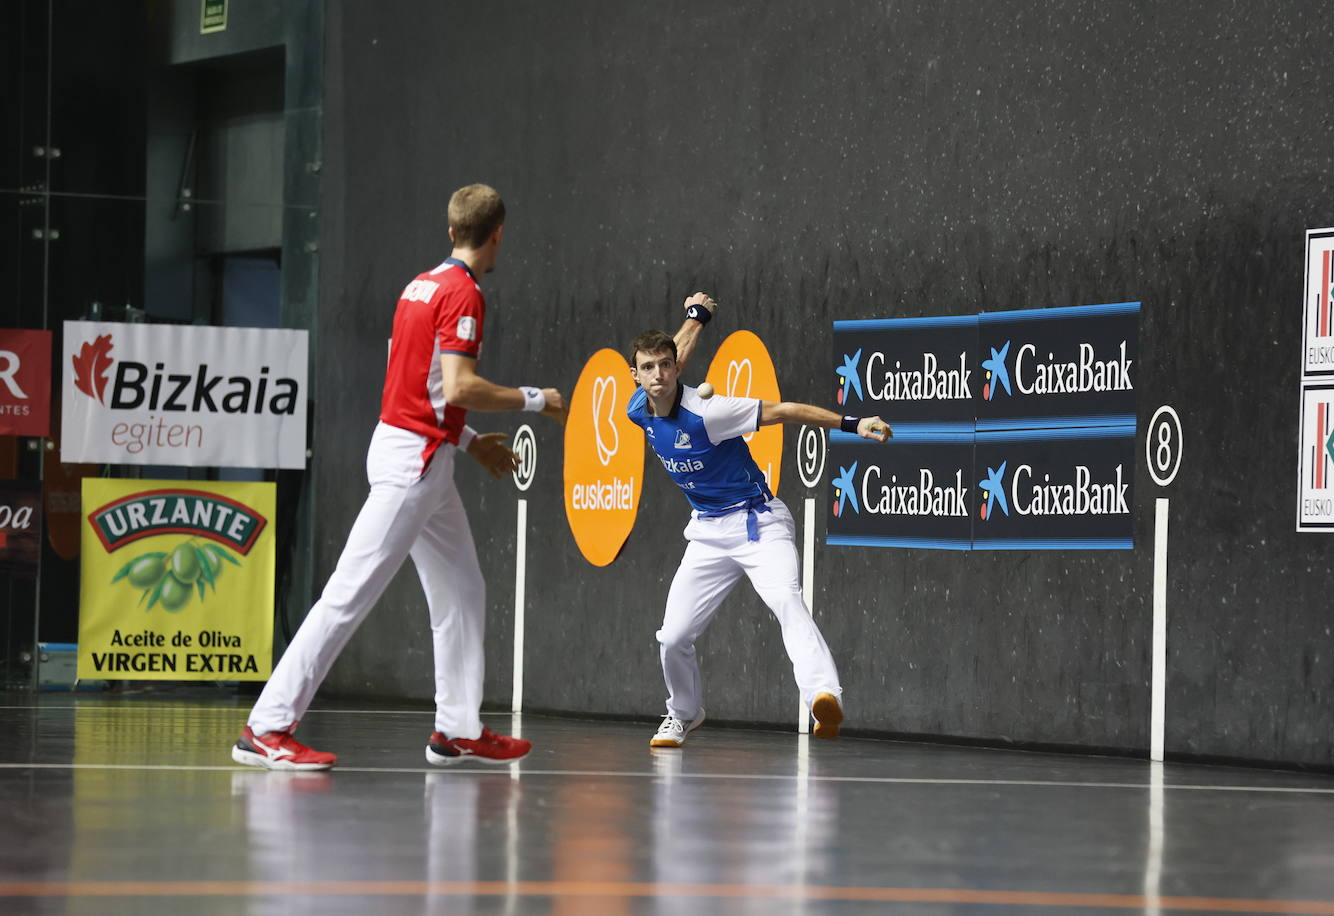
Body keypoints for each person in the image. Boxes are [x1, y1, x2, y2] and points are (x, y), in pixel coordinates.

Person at [232, 183, 565, 771]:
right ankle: (267, 725)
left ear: (449, 229)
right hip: (413, 462)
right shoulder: (463, 294)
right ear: (498, 235)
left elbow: (416, 385)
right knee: (347, 594)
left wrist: (465, 442)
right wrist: (535, 400)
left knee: (463, 588)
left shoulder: (420, 286)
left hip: (422, 452)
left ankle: (457, 729)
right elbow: (459, 386)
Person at [626, 295, 891, 748]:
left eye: (666, 366)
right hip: (707, 534)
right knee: (672, 638)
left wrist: (853, 422)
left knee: (787, 600)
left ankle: (822, 695)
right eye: (648, 368)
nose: (658, 375)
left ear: (676, 369)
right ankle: (683, 713)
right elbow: (675, 349)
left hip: (758, 524)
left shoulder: (710, 412)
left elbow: (785, 411)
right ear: (635, 375)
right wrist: (696, 318)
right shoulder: (638, 410)